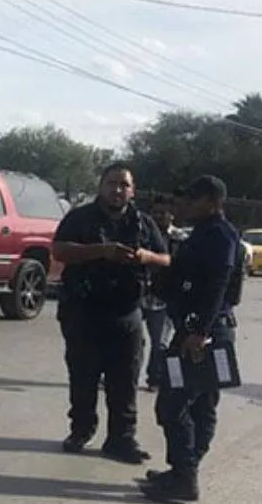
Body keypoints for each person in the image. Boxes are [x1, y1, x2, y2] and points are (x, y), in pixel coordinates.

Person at [51, 161, 172, 464]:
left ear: (133, 191)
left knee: (125, 380)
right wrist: (101, 251)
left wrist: (145, 256)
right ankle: (81, 430)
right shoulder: (80, 218)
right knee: (83, 377)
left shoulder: (143, 223)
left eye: (124, 185)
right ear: (101, 186)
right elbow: (59, 250)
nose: (117, 190)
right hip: (84, 311)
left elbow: (166, 259)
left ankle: (121, 439)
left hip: (127, 313)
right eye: (112, 183)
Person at [139, 175, 243, 503]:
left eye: (192, 199)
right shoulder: (202, 233)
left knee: (175, 404)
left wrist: (199, 332)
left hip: (204, 335)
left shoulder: (220, 235)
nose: (184, 205)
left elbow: (217, 285)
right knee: (196, 404)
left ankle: (185, 475)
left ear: (212, 202)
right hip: (194, 330)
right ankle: (183, 471)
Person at [142, 193, 188, 391]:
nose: (158, 216)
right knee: (129, 339)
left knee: (160, 342)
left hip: (163, 298)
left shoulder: (181, 239)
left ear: (172, 214)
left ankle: (155, 378)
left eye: (163, 213)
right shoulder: (141, 233)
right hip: (139, 294)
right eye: (154, 212)